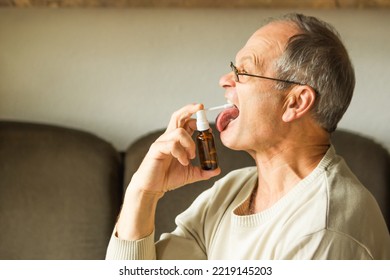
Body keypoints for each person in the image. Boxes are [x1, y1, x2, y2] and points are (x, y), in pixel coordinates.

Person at [106, 13, 390, 259]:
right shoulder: (231, 192)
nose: (224, 80)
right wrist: (142, 193)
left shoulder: (323, 230)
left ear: (295, 103)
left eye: (244, 71)